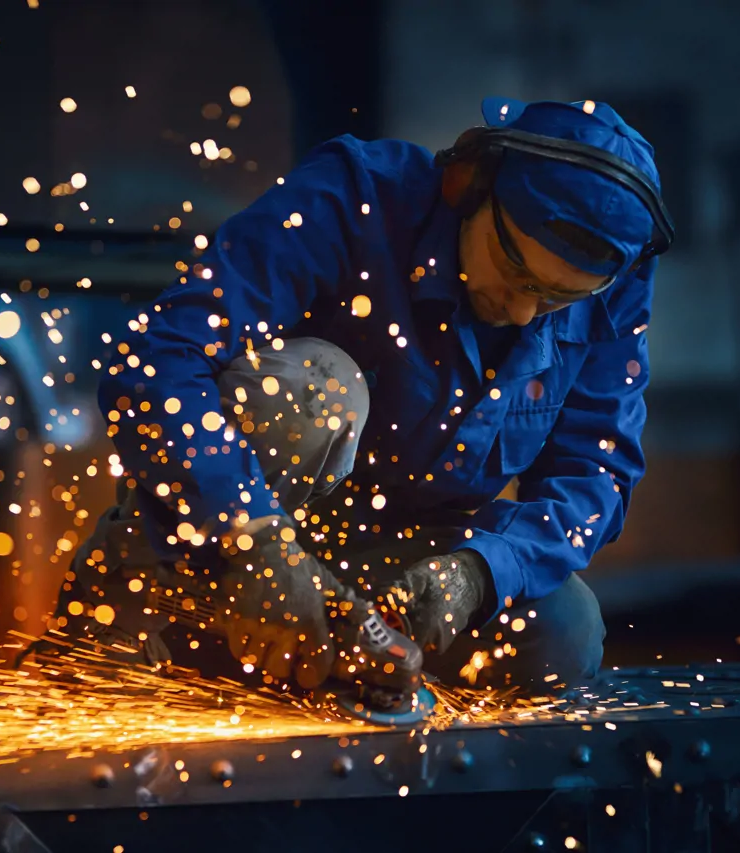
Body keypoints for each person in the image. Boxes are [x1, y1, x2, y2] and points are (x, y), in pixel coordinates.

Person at [58, 96, 673, 696]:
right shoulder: (354, 198)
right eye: (515, 274)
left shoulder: (611, 293)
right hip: (217, 535)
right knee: (313, 391)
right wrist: (256, 541)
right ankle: (120, 625)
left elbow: (595, 472)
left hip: (389, 562)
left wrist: (478, 575)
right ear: (469, 186)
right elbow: (157, 357)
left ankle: (324, 672)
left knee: (563, 629)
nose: (522, 312)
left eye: (556, 299)